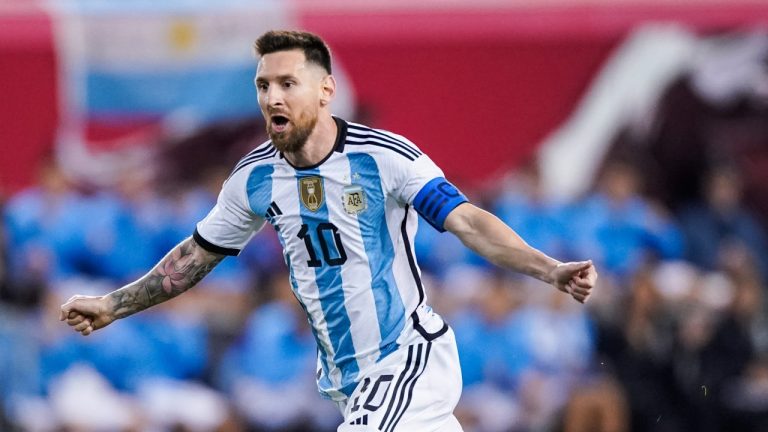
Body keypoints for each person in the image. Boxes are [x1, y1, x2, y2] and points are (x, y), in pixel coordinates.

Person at [60, 30, 598, 432]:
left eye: (287, 83)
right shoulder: (253, 179)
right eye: (263, 85)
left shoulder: (385, 158)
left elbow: (469, 223)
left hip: (406, 358)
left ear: (325, 90)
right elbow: (194, 258)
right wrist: (113, 306)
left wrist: (549, 269)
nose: (273, 97)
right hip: (348, 380)